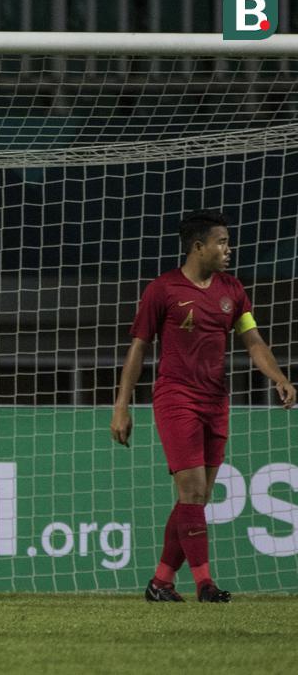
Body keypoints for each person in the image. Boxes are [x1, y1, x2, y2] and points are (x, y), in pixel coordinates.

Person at [111, 209, 295, 603]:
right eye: (222, 242)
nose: (229, 249)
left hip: (216, 400)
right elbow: (138, 348)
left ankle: (160, 583)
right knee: (193, 492)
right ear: (198, 246)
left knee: (195, 499)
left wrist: (279, 377)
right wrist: (121, 406)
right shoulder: (162, 290)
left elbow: (253, 341)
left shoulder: (233, 290)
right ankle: (205, 584)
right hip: (176, 397)